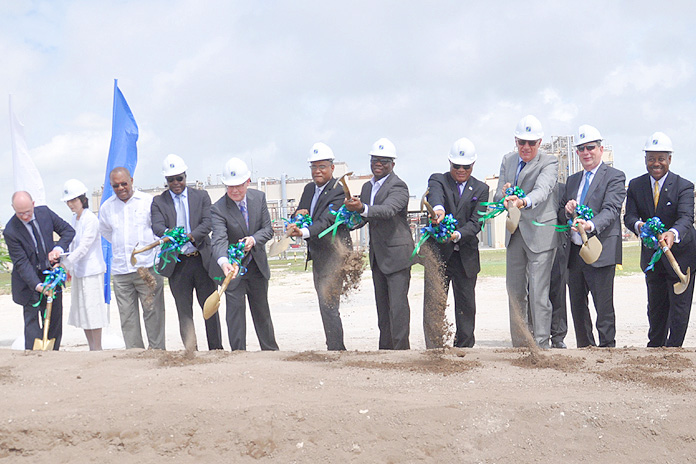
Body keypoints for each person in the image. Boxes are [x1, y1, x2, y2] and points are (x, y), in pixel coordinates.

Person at [624, 132, 696, 347]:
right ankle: (655, 349)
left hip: (680, 259)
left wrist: (672, 234)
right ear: (645, 159)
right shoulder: (636, 186)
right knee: (655, 308)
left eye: (661, 158)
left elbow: (686, 218)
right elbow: (629, 217)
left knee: (679, 309)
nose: (656, 163)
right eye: (651, 158)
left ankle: (674, 352)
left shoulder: (684, 186)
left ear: (669, 160)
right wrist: (640, 226)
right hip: (652, 260)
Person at [494, 115, 558, 349]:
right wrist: (505, 196)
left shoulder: (549, 162)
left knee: (539, 294)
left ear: (540, 142)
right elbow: (497, 197)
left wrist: (523, 202)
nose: (526, 147)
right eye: (522, 142)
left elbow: (543, 190)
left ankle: (541, 345)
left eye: (532, 143)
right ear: (516, 141)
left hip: (540, 235)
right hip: (515, 235)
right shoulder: (508, 160)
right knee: (515, 292)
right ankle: (521, 344)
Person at [345, 138, 415, 350]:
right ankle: (385, 352)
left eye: (384, 161)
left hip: (397, 257)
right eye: (375, 160)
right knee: (383, 310)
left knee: (398, 308)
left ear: (393, 164)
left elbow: (387, 211)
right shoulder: (367, 187)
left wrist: (362, 208)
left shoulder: (399, 187)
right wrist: (347, 220)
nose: (378, 164)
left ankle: (401, 352)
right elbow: (365, 217)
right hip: (378, 257)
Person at [560, 125, 626, 348]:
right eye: (581, 149)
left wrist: (590, 225)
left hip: (601, 251)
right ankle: (585, 349)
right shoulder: (572, 180)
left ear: (601, 148)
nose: (586, 152)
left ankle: (607, 350)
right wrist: (568, 210)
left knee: (603, 308)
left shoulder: (615, 177)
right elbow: (563, 214)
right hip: (575, 253)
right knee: (578, 307)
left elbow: (611, 209)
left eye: (590, 147)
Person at [151, 154, 223, 351]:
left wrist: (191, 236)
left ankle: (216, 350)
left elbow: (207, 223)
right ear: (166, 181)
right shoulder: (159, 201)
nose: (176, 183)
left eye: (179, 178)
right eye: (171, 180)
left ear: (185, 176)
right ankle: (191, 350)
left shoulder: (201, 197)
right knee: (184, 311)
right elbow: (157, 226)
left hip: (201, 260)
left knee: (210, 307)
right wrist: (170, 234)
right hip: (177, 264)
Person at [424, 137, 489, 348]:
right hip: (440, 257)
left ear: (473, 165)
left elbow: (476, 222)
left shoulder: (481, 189)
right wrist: (438, 210)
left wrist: (457, 235)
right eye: (456, 166)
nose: (461, 170)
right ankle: (435, 348)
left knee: (466, 308)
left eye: (466, 166)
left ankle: (465, 350)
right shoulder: (438, 180)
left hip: (466, 258)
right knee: (435, 305)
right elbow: (436, 197)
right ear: (449, 163)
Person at [287, 142, 352, 350]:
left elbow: (325, 222)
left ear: (332, 168)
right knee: (325, 305)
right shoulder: (308, 189)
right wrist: (295, 218)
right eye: (313, 167)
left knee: (329, 304)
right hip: (318, 256)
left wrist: (303, 232)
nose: (317, 171)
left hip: (335, 255)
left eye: (322, 166)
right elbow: (302, 212)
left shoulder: (338, 191)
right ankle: (333, 346)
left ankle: (336, 350)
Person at [211, 157, 278, 351]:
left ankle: (271, 352)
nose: (234, 191)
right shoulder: (218, 209)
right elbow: (219, 239)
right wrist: (224, 263)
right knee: (235, 316)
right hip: (233, 271)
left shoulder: (259, 199)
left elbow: (268, 229)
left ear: (248, 181)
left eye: (238, 186)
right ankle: (238, 355)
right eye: (229, 187)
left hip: (257, 268)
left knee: (262, 314)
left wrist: (253, 239)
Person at [99, 167, 166, 350]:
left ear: (132, 181)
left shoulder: (148, 202)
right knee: (128, 319)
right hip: (121, 272)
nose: (120, 188)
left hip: (146, 269)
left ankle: (157, 354)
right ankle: (135, 356)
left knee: (153, 314)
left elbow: (158, 228)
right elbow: (105, 231)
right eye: (115, 186)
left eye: (124, 184)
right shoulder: (107, 208)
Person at [4, 191, 74, 350]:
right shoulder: (11, 230)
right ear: (13, 209)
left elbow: (68, 231)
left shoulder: (45, 213)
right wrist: (38, 285)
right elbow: (21, 263)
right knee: (32, 324)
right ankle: (33, 358)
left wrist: (58, 248)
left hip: (51, 275)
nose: (25, 217)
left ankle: (53, 354)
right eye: (20, 213)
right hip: (29, 284)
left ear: (33, 204)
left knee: (54, 321)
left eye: (28, 212)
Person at [60, 179, 109, 351]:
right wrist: (65, 263)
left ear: (83, 199)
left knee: (93, 311)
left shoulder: (91, 220)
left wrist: (66, 264)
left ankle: (98, 348)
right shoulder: (75, 219)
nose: (71, 204)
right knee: (83, 312)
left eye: (73, 200)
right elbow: (71, 244)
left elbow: (83, 247)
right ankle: (91, 347)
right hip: (79, 271)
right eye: (68, 201)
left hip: (92, 271)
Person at [549, 183, 570, 349]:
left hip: (558, 245)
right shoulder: (525, 186)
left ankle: (558, 336)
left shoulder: (563, 188)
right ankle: (534, 331)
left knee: (558, 292)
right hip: (531, 246)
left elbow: (564, 215)